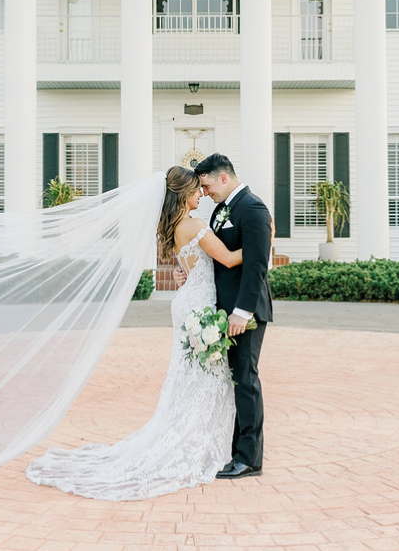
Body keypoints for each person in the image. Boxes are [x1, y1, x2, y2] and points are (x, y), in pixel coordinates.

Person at [25, 166, 244, 500]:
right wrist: (262, 243)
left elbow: (192, 267)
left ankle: (192, 433)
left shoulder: (174, 227)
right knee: (207, 376)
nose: (201, 194)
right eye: (196, 190)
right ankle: (198, 440)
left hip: (187, 302)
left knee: (189, 375)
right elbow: (227, 259)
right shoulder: (195, 225)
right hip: (199, 306)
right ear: (182, 194)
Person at [188, 153, 273, 479]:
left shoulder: (252, 209)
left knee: (246, 380)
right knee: (236, 381)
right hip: (226, 312)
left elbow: (257, 265)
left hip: (244, 312)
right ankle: (237, 450)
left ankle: (249, 459)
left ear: (223, 177)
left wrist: (241, 311)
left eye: (207, 185)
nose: (205, 192)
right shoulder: (222, 210)